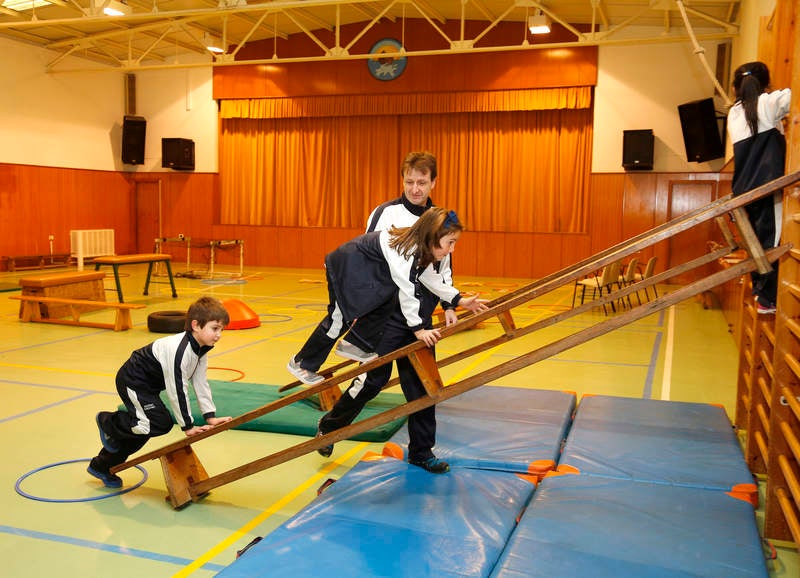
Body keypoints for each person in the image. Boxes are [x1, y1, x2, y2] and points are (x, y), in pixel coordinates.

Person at [316, 153, 473, 474]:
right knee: (372, 379)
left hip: (420, 315)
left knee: (423, 384)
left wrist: (448, 303)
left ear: (433, 183)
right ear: (403, 181)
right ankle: (330, 426)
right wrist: (359, 307)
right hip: (386, 315)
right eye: (410, 182)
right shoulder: (385, 212)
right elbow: (364, 255)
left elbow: (443, 266)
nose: (415, 189)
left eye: (422, 182)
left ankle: (421, 451)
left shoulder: (440, 218)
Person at [287, 207, 485, 389]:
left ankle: (355, 345)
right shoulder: (408, 252)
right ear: (433, 237)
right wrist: (418, 329)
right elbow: (409, 290)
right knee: (339, 318)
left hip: (363, 272)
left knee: (387, 300)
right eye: (450, 243)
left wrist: (458, 299)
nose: (452, 250)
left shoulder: (420, 249)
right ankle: (301, 363)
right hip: (345, 267)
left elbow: (431, 279)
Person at [88, 296, 233, 488]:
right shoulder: (180, 351)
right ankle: (108, 421)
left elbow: (200, 382)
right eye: (215, 328)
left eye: (221, 329)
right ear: (196, 325)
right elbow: (177, 390)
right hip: (133, 380)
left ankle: (102, 465)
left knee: (145, 430)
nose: (219, 334)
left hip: (149, 387)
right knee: (156, 423)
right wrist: (188, 426)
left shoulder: (201, 349)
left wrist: (210, 416)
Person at [727, 61, 791, 314]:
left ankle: (763, 295)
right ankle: (767, 297)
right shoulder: (768, 103)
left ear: (735, 89)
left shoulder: (735, 112)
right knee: (771, 242)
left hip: (743, 191)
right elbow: (791, 96)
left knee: (757, 243)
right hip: (766, 188)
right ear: (766, 84)